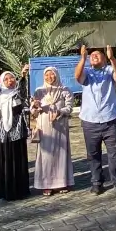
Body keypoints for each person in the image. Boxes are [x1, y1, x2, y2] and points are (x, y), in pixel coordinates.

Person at [75, 44, 116, 196]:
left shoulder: (109, 70)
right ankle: (97, 182)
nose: (94, 56)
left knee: (115, 153)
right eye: (92, 55)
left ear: (104, 59)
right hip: (90, 121)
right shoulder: (87, 71)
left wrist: (112, 58)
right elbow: (77, 77)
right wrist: (83, 58)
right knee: (93, 154)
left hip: (110, 119)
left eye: (98, 54)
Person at [0, 71, 30, 201]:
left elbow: (23, 89)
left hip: (16, 132)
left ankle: (19, 191)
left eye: (11, 78)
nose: (9, 81)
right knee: (2, 162)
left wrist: (22, 77)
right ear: (1, 81)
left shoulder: (18, 93)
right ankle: (2, 191)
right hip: (1, 133)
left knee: (17, 160)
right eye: (6, 79)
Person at [31, 66, 74, 197]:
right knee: (46, 156)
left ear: (56, 75)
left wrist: (60, 112)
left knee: (61, 154)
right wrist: (36, 107)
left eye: (52, 75)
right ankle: (46, 184)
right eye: (47, 75)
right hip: (44, 126)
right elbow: (33, 112)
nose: (50, 77)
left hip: (60, 125)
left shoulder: (64, 90)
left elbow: (70, 107)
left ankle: (61, 182)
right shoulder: (39, 91)